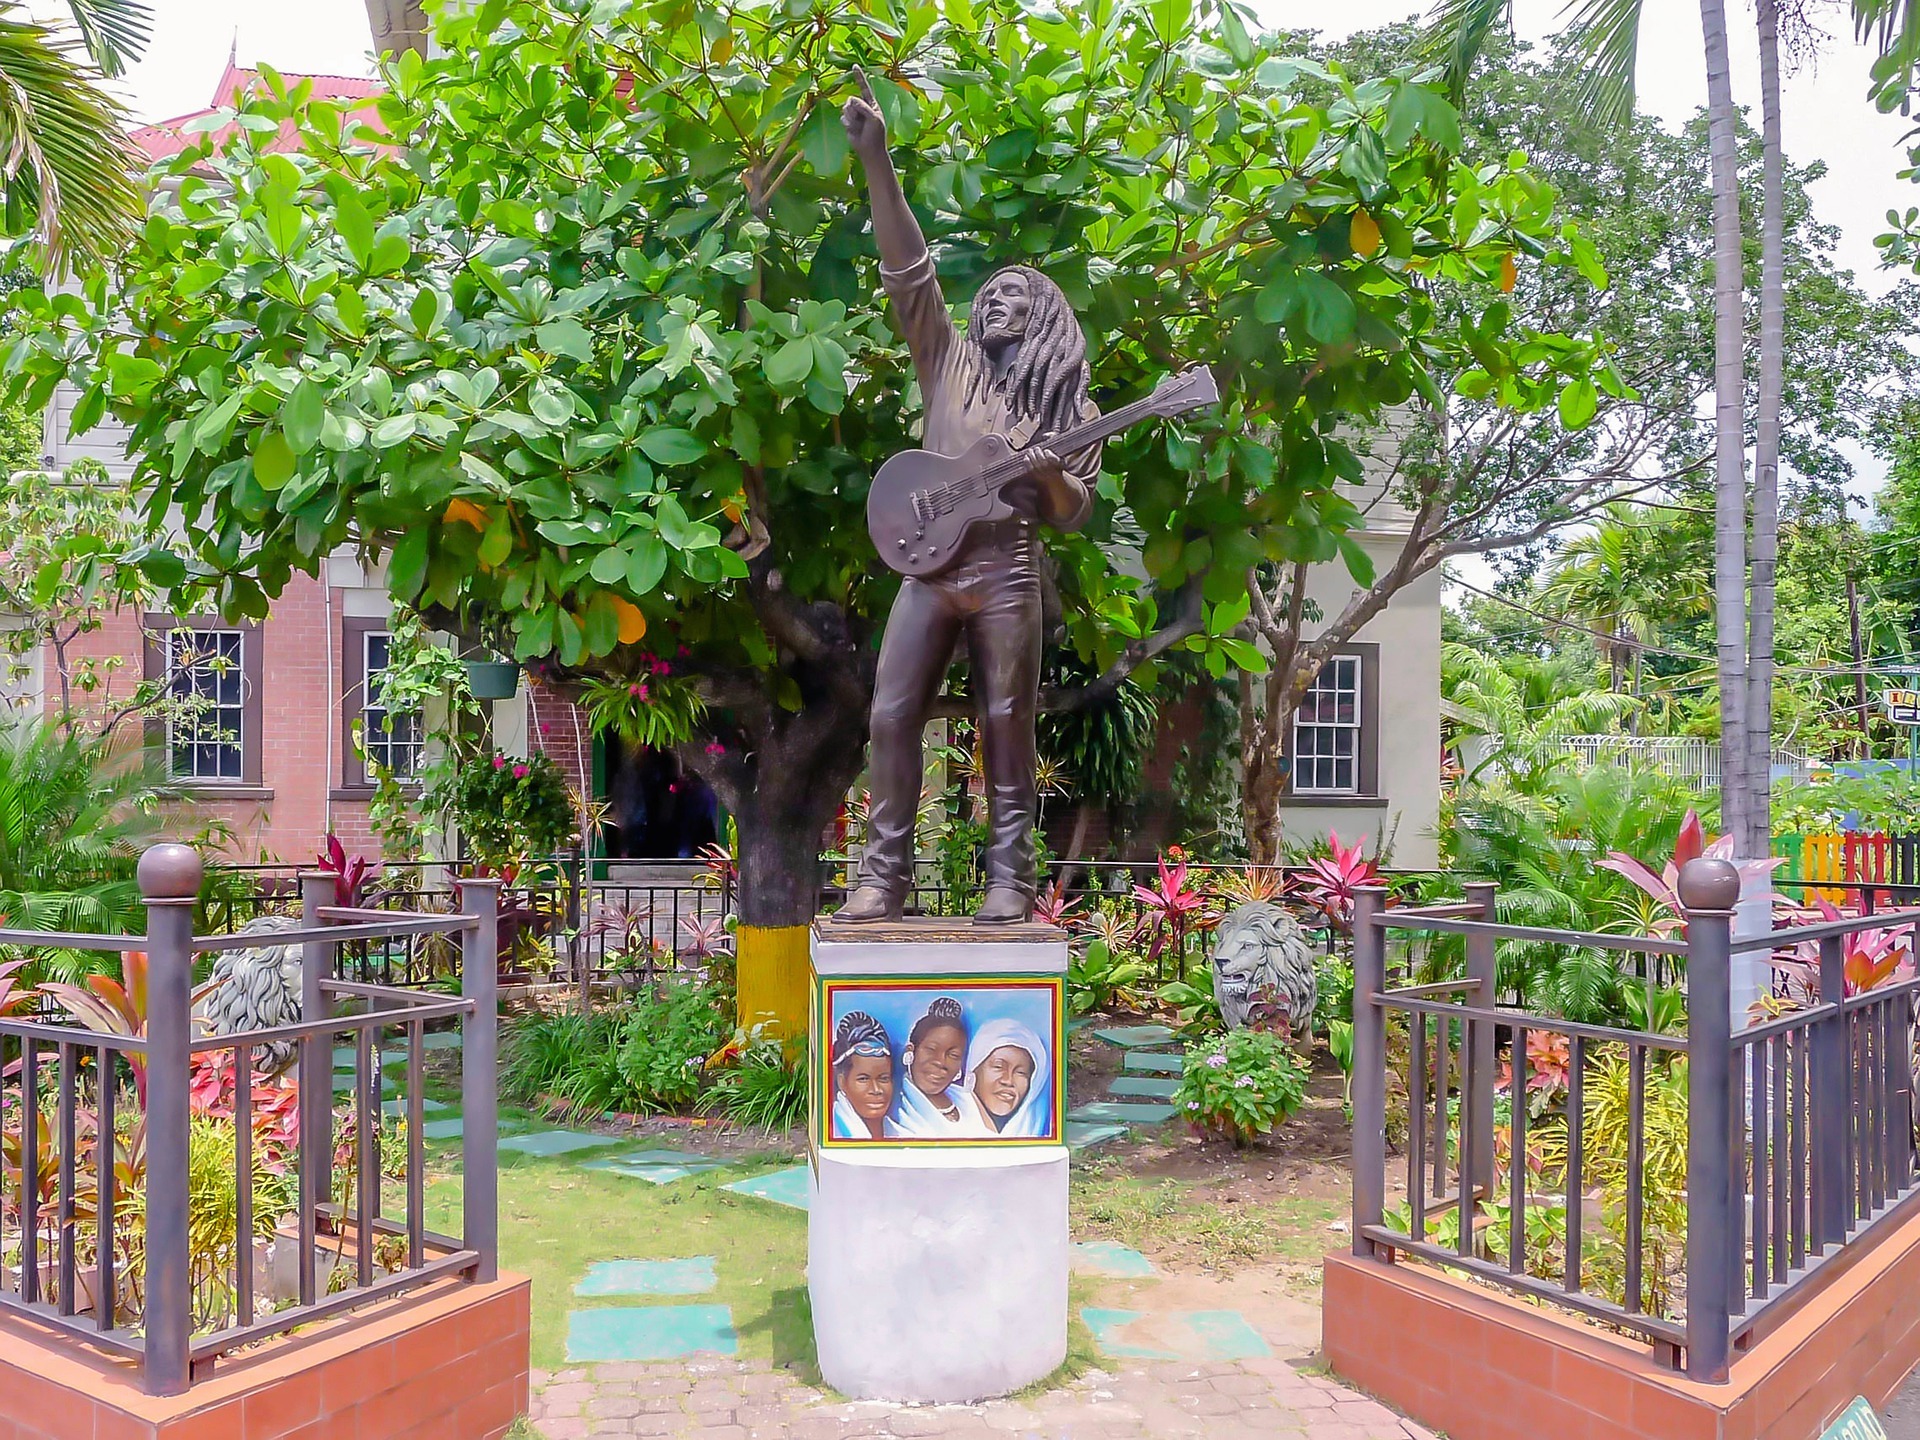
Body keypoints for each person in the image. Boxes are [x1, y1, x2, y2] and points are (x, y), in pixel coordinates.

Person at [835, 69, 1104, 927]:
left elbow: (1073, 510)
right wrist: (876, 160)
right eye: (986, 296)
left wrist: (1047, 471)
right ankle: (883, 877)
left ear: (1044, 318)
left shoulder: (1066, 408)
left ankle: (1010, 879)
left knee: (1006, 719)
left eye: (1010, 296)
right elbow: (908, 271)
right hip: (928, 564)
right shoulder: (946, 362)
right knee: (890, 712)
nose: (991, 303)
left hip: (1006, 569)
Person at [887, 996, 990, 1136]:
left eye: (953, 1055)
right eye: (931, 1049)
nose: (941, 1062)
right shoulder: (895, 1108)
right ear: (911, 1051)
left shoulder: (966, 1098)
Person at [962, 1017, 1051, 1137]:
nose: (1008, 1081)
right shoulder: (944, 1123)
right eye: (998, 1067)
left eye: (1021, 1073)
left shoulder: (1035, 1131)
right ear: (974, 1068)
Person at [829, 1010, 896, 1141]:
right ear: (842, 1082)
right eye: (863, 1079)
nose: (876, 1090)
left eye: (884, 1078)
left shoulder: (899, 1132)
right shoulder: (837, 1132)